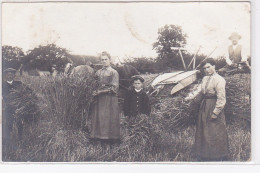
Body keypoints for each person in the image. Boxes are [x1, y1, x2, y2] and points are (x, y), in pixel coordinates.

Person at [185, 58, 229, 161]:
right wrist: (189, 97)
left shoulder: (219, 80)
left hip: (213, 106)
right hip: (204, 106)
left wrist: (215, 112)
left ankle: (217, 156)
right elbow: (199, 90)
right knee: (203, 129)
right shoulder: (205, 79)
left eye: (208, 67)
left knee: (214, 130)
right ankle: (203, 154)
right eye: (204, 68)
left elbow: (221, 98)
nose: (206, 70)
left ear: (214, 66)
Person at [90, 51, 120, 142]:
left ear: (110, 60)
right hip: (99, 99)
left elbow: (114, 88)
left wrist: (100, 92)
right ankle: (97, 137)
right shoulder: (98, 72)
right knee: (98, 116)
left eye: (106, 59)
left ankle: (109, 139)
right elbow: (94, 84)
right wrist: (94, 91)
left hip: (109, 98)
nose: (104, 61)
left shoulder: (114, 72)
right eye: (102, 60)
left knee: (108, 117)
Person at [2, 68, 23, 150]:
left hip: (19, 107)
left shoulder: (19, 84)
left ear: (14, 75)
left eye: (11, 74)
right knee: (9, 124)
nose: (10, 75)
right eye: (8, 74)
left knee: (20, 124)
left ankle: (20, 139)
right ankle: (8, 141)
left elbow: (26, 92)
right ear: (5, 75)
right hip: (8, 108)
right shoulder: (2, 85)